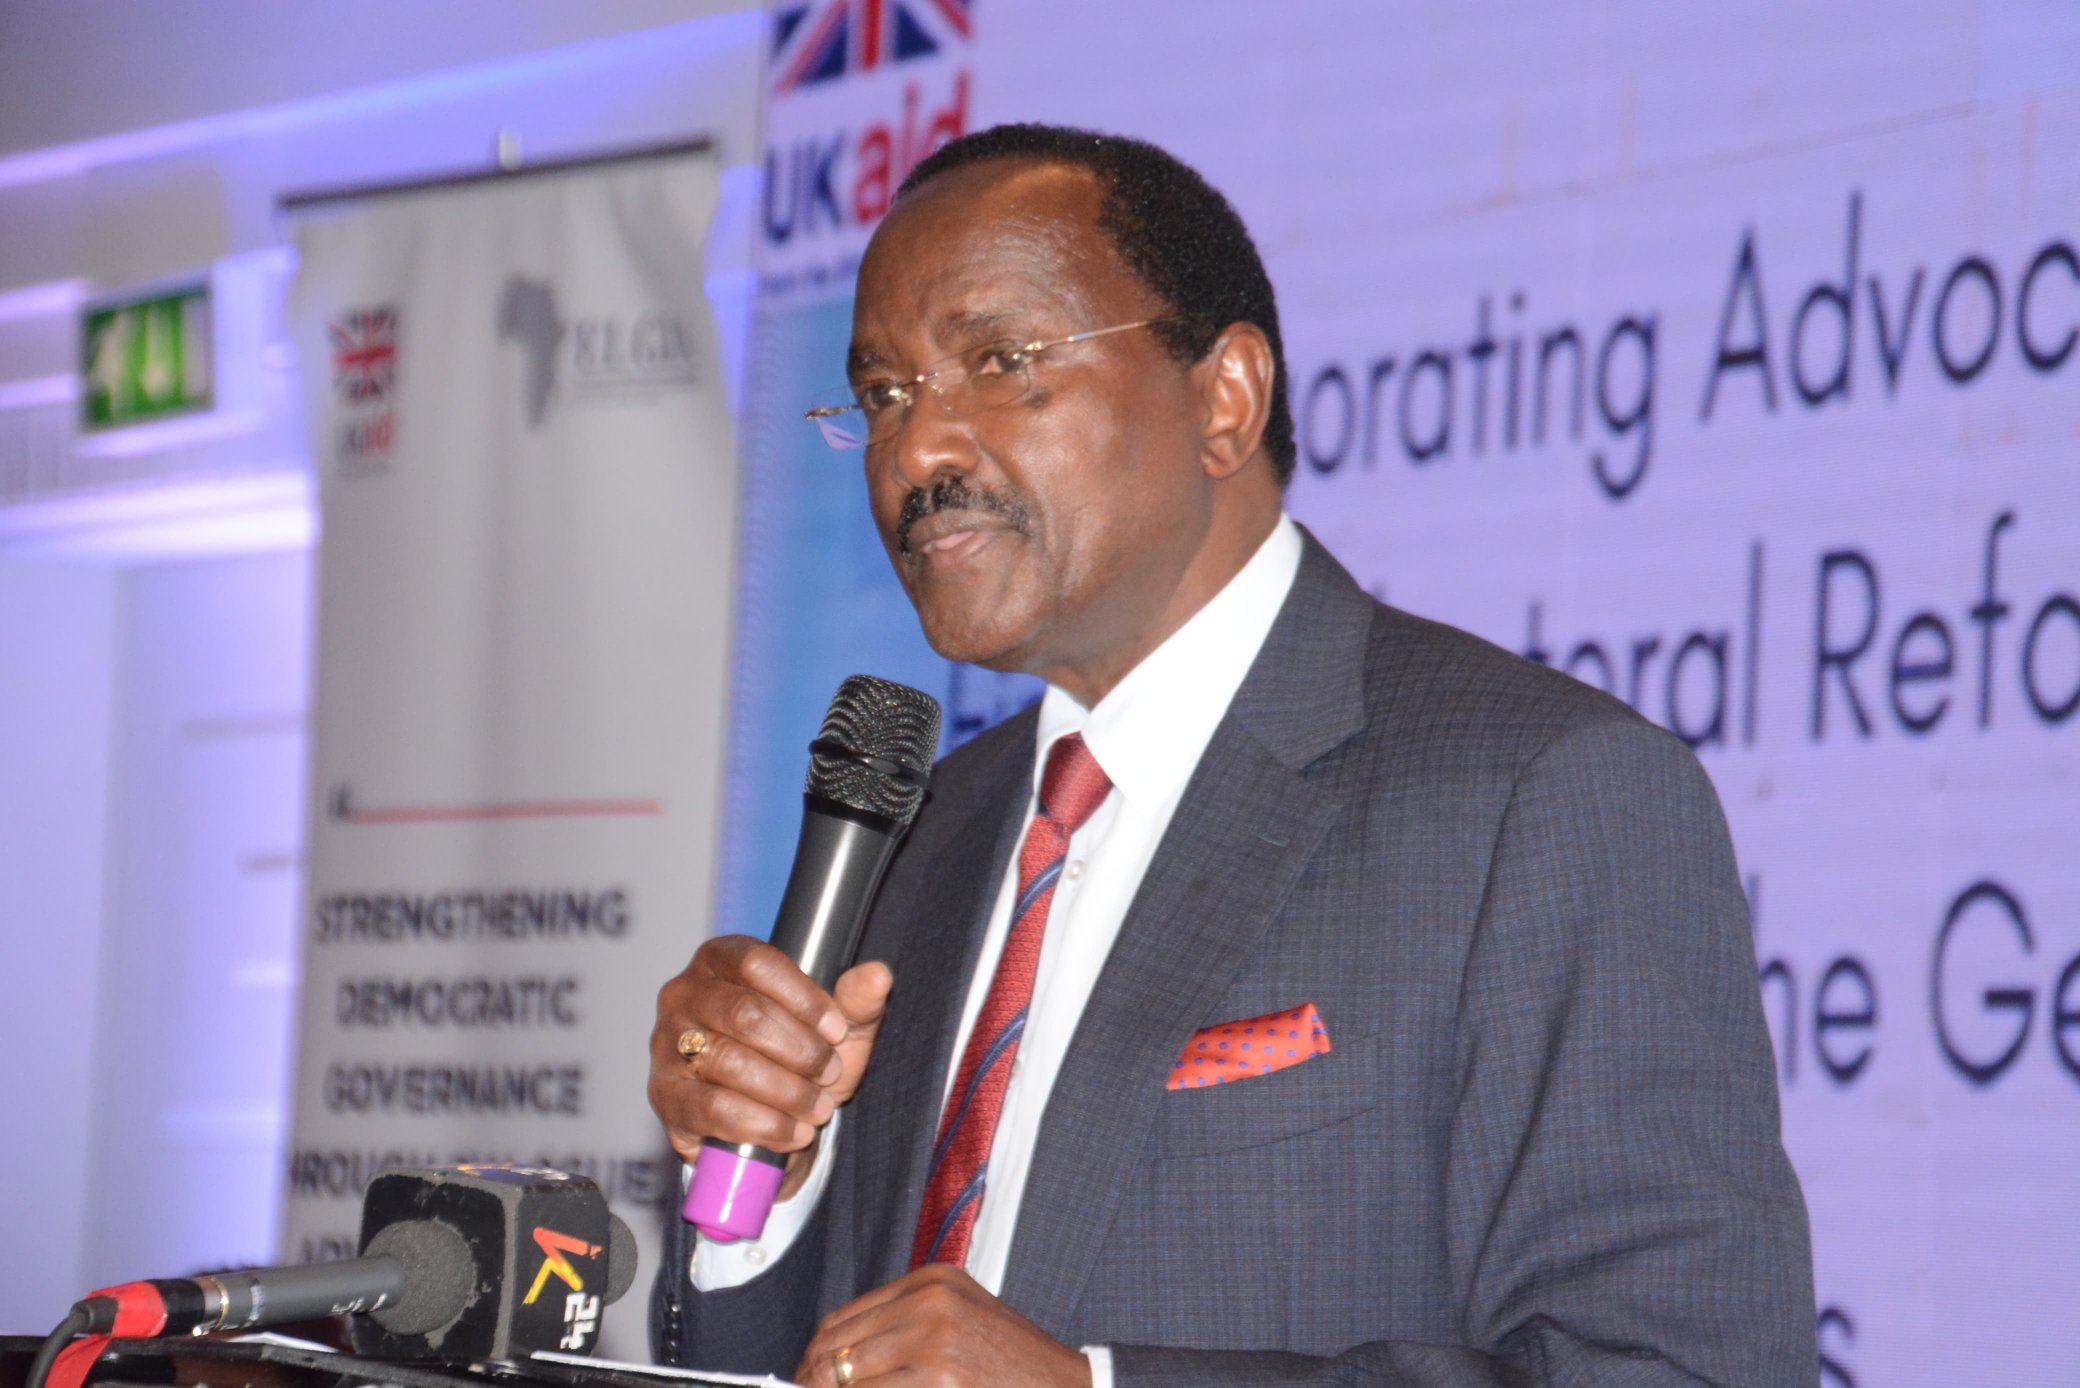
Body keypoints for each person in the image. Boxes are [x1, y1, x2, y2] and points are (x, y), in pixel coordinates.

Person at [648, 123, 1814, 1388]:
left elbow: (1677, 1367)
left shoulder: (1538, 795)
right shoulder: (922, 833)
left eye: (998, 361)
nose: (915, 451)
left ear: (1225, 399)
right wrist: (768, 1187)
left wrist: (1094, 1386)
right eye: (883, 393)